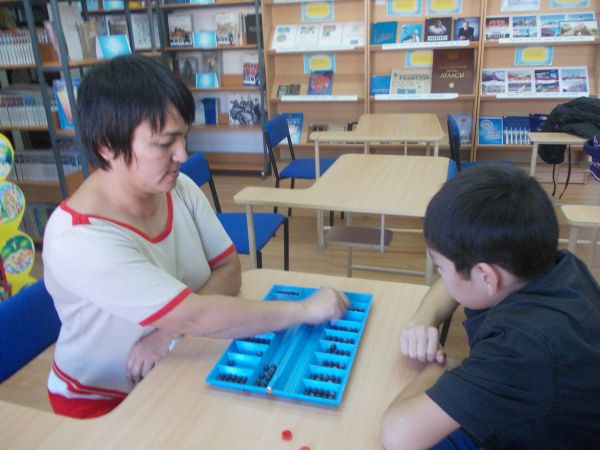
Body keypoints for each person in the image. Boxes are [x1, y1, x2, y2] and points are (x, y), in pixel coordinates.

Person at [42, 54, 349, 419]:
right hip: (102, 399)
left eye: (183, 138)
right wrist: (303, 310)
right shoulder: (78, 240)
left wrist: (168, 331)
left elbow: (230, 270)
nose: (183, 155)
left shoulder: (180, 188)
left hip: (175, 363)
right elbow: (197, 317)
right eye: (165, 144)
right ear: (107, 145)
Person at [380, 164, 600, 449]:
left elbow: (399, 435)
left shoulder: (521, 347)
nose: (441, 275)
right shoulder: (556, 265)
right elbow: (452, 283)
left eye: (440, 266)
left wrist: (441, 366)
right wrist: (422, 320)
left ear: (486, 276)